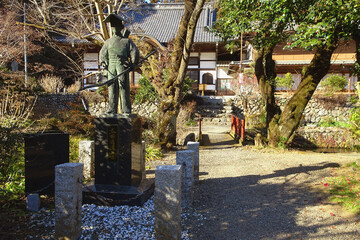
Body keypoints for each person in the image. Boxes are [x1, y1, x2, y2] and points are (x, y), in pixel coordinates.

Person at [100, 13, 139, 114]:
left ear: (120, 28)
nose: (114, 29)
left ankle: (125, 109)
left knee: (124, 87)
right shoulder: (108, 42)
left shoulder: (126, 41)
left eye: (116, 27)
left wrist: (133, 63)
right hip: (111, 67)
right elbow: (102, 54)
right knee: (112, 87)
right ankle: (112, 108)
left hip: (122, 65)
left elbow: (134, 52)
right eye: (112, 27)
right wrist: (103, 64)